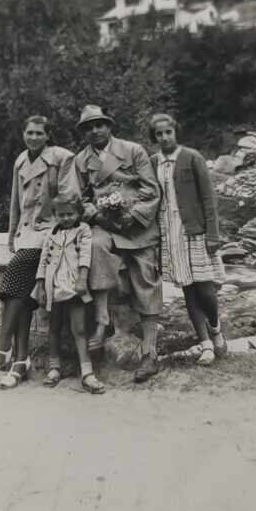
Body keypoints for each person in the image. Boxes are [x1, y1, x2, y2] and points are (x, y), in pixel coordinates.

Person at [0, 115, 77, 388]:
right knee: (22, 293)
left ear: (48, 135)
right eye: (29, 133)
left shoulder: (62, 158)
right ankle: (20, 363)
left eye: (39, 133)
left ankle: (2, 348)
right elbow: (15, 203)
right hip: (25, 234)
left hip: (51, 233)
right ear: (24, 134)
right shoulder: (21, 160)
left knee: (16, 277)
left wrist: (59, 227)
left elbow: (70, 199)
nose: (33, 137)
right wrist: (11, 233)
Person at [74, 104, 163, 383]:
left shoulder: (132, 151)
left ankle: (150, 352)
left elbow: (152, 191)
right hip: (105, 224)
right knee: (94, 246)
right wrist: (92, 211)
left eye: (99, 124)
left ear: (109, 126)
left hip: (136, 226)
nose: (95, 131)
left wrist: (131, 215)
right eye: (88, 127)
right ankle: (101, 322)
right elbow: (81, 198)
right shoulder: (81, 161)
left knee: (146, 279)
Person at [149, 112, 227, 365]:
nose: (164, 137)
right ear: (155, 137)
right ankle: (205, 343)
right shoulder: (153, 163)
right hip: (169, 232)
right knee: (188, 290)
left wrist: (213, 234)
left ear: (175, 132)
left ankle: (215, 327)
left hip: (195, 230)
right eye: (159, 134)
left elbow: (208, 198)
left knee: (205, 287)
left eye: (168, 132)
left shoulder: (192, 157)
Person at [31, 193, 105, 394]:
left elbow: (85, 256)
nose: (66, 218)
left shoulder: (83, 230)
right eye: (61, 214)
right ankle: (54, 368)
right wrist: (40, 285)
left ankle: (87, 373)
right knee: (53, 328)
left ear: (78, 213)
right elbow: (43, 260)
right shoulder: (51, 234)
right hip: (53, 286)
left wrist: (82, 278)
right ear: (55, 215)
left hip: (74, 287)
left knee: (79, 330)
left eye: (70, 214)